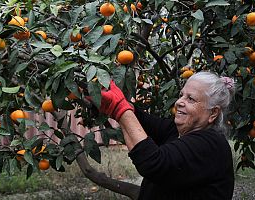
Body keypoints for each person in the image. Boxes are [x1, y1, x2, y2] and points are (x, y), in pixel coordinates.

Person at [95, 71, 235, 200]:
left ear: (213, 113)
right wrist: (107, 98)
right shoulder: (177, 131)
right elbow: (143, 120)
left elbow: (153, 163)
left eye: (191, 99)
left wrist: (120, 108)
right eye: (181, 95)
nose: (179, 102)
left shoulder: (211, 145)